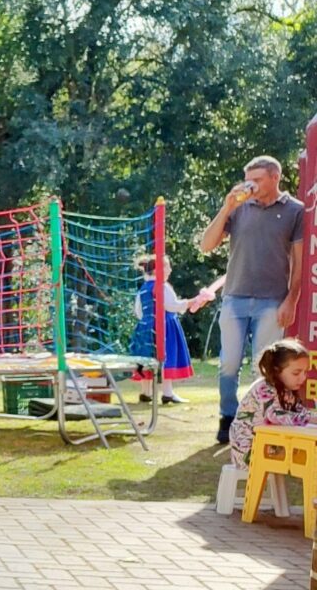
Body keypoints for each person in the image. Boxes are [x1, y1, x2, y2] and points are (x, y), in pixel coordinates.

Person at [200, 156, 307, 445]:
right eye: (249, 179)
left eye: (258, 179)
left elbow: (299, 263)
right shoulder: (238, 208)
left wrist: (291, 299)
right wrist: (226, 208)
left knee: (269, 367)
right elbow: (206, 245)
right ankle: (227, 417)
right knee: (229, 364)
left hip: (272, 300)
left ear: (275, 178)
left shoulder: (295, 211)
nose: (251, 185)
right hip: (234, 297)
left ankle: (264, 419)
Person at [128, 254, 210, 404]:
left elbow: (138, 311)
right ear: (158, 270)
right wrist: (195, 300)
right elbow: (173, 306)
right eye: (167, 266)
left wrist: (147, 321)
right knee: (166, 357)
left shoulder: (143, 289)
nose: (170, 270)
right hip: (164, 327)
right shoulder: (162, 287)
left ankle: (146, 392)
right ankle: (167, 393)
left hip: (145, 327)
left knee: (145, 357)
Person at [228, 339, 314, 466]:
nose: (303, 377)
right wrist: (311, 418)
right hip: (249, 452)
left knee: (309, 454)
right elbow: (276, 415)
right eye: (296, 373)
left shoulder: (287, 390)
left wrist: (311, 417)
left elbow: (299, 412)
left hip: (267, 445)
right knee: (309, 458)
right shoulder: (264, 388)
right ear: (276, 370)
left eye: (305, 372)